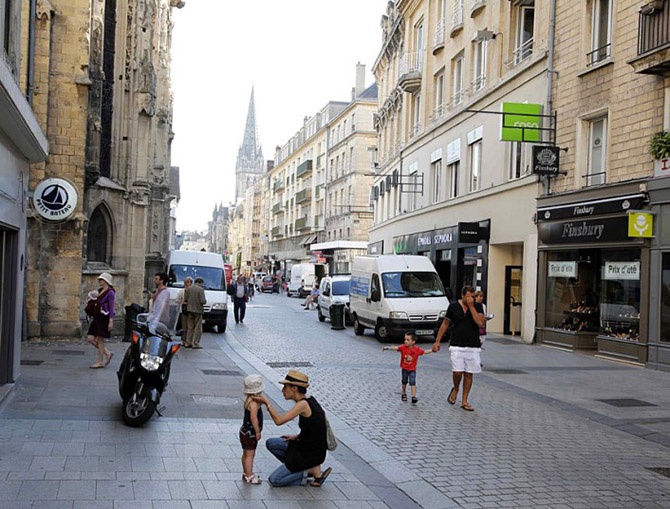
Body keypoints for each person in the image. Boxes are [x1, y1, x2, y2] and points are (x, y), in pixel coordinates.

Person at [253, 370, 332, 487]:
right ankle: (300, 469)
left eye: (285, 386)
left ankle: (307, 471)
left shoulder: (303, 405)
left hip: (309, 454)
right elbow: (315, 429)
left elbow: (279, 421)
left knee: (274, 480)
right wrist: (297, 436)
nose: (283, 390)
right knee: (271, 443)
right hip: (307, 447)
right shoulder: (309, 400)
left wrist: (266, 403)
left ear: (294, 388)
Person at [432, 285, 485, 412]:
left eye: (472, 296)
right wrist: (437, 341)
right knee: (457, 372)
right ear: (462, 296)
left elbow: (480, 322)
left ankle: (465, 400)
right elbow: (445, 323)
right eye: (468, 296)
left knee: (469, 373)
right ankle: (456, 388)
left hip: (473, 344)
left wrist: (472, 306)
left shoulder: (478, 306)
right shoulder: (453, 307)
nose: (470, 299)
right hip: (456, 344)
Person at [382, 332, 433, 404]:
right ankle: (403, 392)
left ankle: (413, 396)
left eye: (408, 340)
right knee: (404, 381)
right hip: (405, 368)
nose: (405, 341)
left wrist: (432, 350)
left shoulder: (416, 349)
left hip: (412, 369)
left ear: (413, 342)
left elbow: (424, 352)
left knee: (413, 382)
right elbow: (396, 347)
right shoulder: (403, 348)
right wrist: (387, 347)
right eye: (405, 339)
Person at [240, 374, 265, 484]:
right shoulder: (254, 403)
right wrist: (258, 431)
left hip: (244, 431)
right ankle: (250, 475)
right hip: (250, 433)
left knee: (245, 453)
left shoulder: (248, 399)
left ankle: (245, 472)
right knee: (250, 454)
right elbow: (254, 418)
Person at [86, 272, 115, 369]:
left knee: (100, 340)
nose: (99, 281)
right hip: (97, 317)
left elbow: (111, 308)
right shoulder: (100, 290)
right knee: (90, 338)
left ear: (106, 281)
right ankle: (107, 353)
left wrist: (111, 321)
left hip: (104, 318)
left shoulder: (110, 292)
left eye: (101, 280)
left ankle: (100, 362)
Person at [184, 277, 206, 348]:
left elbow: (185, 299)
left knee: (190, 327)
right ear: (200, 283)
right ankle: (195, 343)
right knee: (198, 328)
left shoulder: (189, 288)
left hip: (190, 310)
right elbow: (203, 301)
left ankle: (188, 342)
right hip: (198, 310)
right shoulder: (201, 290)